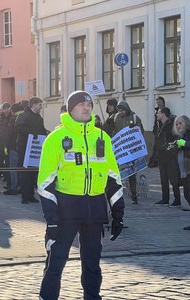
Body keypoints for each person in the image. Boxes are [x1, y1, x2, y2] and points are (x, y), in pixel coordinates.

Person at [36, 91, 125, 300]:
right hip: (65, 210)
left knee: (92, 262)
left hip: (94, 208)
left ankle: (92, 297)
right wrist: (52, 219)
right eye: (81, 105)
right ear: (70, 108)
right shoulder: (56, 138)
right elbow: (45, 183)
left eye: (89, 105)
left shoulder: (102, 137)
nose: (86, 108)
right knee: (56, 262)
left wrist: (118, 213)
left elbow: (113, 178)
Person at [15, 97, 48, 204]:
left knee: (33, 172)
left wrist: (47, 134)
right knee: (25, 173)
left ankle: (31, 195)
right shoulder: (23, 115)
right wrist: (31, 132)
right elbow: (18, 128)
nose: (41, 108)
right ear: (33, 105)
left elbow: (41, 130)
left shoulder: (39, 118)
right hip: (25, 148)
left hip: (35, 149)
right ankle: (24, 196)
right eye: (39, 105)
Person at [111, 100, 144, 204]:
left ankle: (134, 195)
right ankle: (118, 195)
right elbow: (110, 129)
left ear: (127, 109)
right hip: (119, 150)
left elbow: (140, 132)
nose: (121, 112)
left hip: (130, 150)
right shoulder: (115, 118)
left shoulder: (134, 118)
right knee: (117, 173)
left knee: (131, 174)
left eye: (122, 110)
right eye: (119, 110)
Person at [153, 107, 181, 207]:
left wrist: (170, 148)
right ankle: (165, 199)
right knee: (163, 178)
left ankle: (177, 200)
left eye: (158, 113)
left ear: (163, 114)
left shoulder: (171, 125)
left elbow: (175, 139)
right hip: (162, 155)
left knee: (173, 179)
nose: (156, 114)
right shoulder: (159, 125)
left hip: (170, 155)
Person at [4, 103, 23, 196]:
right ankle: (22, 187)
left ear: (12, 110)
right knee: (22, 168)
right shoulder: (25, 118)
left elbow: (8, 134)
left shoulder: (13, 119)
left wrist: (6, 146)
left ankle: (14, 187)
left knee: (13, 168)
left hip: (13, 147)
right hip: (23, 147)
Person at [148, 96, 166, 168]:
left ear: (163, 103)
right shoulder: (157, 111)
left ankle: (156, 162)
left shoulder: (165, 110)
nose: (158, 104)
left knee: (160, 147)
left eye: (160, 102)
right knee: (155, 147)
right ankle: (152, 161)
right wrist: (154, 129)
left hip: (163, 132)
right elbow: (156, 122)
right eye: (157, 102)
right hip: (157, 132)